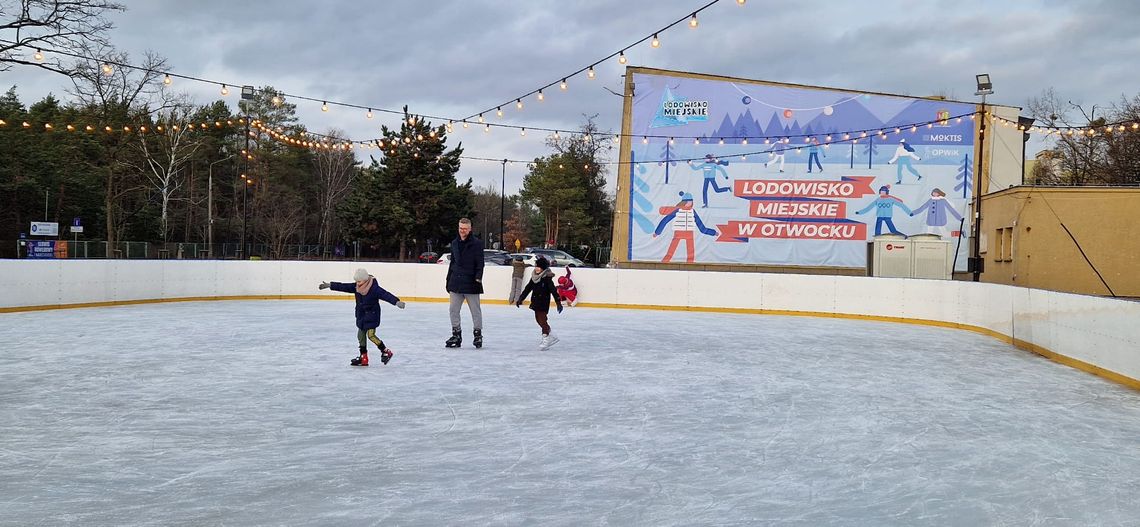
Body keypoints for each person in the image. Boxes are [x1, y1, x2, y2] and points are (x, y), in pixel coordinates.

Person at [319, 268, 405, 367]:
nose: (357, 283)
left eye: (359, 281)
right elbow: (344, 286)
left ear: (365, 279)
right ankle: (363, 358)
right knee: (361, 335)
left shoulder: (374, 288)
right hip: (361, 315)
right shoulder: (356, 287)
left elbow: (385, 295)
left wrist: (396, 302)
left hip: (372, 315)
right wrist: (330, 285)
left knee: (371, 335)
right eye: (356, 281)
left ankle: (386, 351)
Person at [445, 217, 485, 348]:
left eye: (465, 229)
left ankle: (477, 335)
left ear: (470, 229)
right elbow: (452, 263)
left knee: (475, 311)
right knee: (453, 310)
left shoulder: (477, 244)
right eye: (460, 228)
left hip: (471, 282)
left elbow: (480, 263)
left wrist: (478, 278)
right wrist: (448, 279)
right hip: (455, 282)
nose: (462, 231)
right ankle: (456, 334)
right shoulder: (455, 243)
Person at [653, 191, 718, 263]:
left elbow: (701, 227)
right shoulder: (677, 210)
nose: (690, 203)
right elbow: (665, 220)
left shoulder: (692, 211)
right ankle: (664, 262)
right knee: (671, 251)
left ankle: (690, 265)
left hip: (689, 233)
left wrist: (713, 232)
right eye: (688, 201)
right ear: (684, 202)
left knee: (691, 254)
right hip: (678, 233)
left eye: (691, 202)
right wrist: (657, 232)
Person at [515, 256, 564, 350]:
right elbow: (528, 288)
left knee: (542, 320)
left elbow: (554, 291)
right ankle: (552, 335)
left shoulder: (547, 279)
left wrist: (558, 303)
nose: (536, 268)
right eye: (536, 266)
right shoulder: (534, 277)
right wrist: (521, 299)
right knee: (538, 320)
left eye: (539, 267)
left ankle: (546, 338)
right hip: (535, 302)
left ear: (543, 268)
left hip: (543, 302)